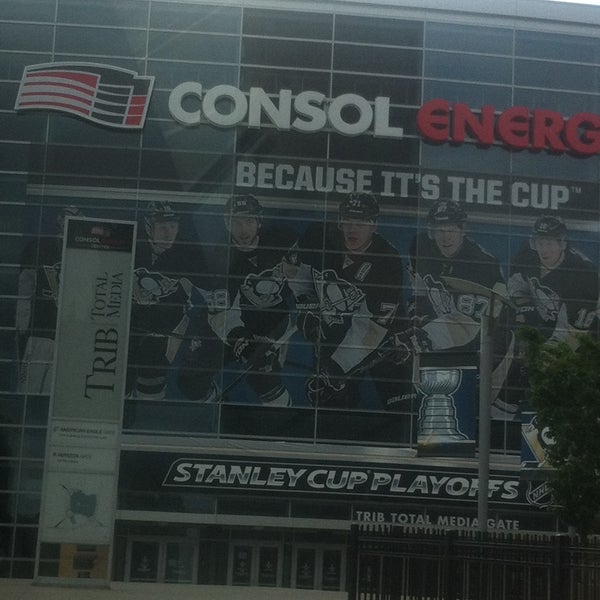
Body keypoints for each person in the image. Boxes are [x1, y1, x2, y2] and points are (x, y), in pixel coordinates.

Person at [295, 193, 415, 409]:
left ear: (374, 225)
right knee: (331, 410)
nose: (352, 228)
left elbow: (372, 328)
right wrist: (306, 306)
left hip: (384, 344)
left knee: (402, 410)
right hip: (334, 337)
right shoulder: (317, 236)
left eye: (360, 222)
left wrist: (337, 368)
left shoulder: (387, 260)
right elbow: (299, 274)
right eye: (348, 220)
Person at [128, 200, 223, 403]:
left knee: (155, 376)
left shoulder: (188, 254)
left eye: (173, 226)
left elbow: (212, 298)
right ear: (148, 227)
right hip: (130, 325)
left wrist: (207, 332)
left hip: (170, 327)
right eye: (162, 226)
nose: (168, 232)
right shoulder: (132, 247)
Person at [220, 194, 298, 407]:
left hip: (275, 322)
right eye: (236, 222)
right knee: (191, 378)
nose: (243, 229)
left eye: (249, 221)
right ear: (227, 224)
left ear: (259, 222)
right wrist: (240, 339)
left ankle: (283, 423)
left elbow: (307, 280)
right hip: (237, 322)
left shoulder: (283, 241)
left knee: (263, 378)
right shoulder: (219, 256)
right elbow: (220, 312)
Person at [16, 205, 82, 394]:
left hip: (68, 336)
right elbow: (24, 289)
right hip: (39, 332)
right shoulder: (40, 247)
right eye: (64, 217)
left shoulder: (85, 252)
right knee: (28, 388)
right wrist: (22, 321)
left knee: (52, 394)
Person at [508, 215, 599, 349]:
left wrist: (552, 356)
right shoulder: (527, 254)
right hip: (548, 325)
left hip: (585, 335)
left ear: (562, 243)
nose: (543, 250)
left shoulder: (583, 273)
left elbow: (577, 331)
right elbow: (517, 286)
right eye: (540, 243)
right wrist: (526, 312)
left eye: (549, 243)